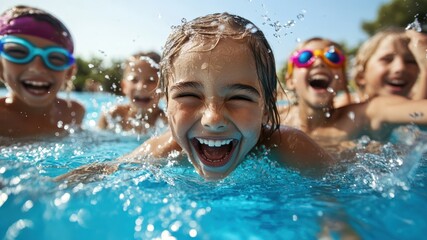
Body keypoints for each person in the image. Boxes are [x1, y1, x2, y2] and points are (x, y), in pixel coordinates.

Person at [56, 13, 333, 182]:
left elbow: (336, 195)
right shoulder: (165, 149)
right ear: (165, 103)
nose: (213, 118)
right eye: (189, 95)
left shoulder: (290, 146)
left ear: (265, 106)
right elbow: (105, 171)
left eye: (239, 97)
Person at [281, 37, 427, 145]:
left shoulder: (361, 117)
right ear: (290, 80)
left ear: (343, 81)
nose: (319, 63)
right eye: (305, 57)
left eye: (332, 57)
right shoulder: (276, 119)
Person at [0, 5, 85, 138]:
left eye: (55, 58)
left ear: (69, 72)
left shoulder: (73, 112)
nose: (37, 68)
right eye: (18, 52)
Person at [351, 27, 427, 102]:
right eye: (387, 59)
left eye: (410, 61)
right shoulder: (347, 106)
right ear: (361, 76)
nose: (400, 68)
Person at [98, 51, 167, 135]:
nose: (141, 87)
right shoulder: (112, 116)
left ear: (163, 88)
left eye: (150, 80)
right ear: (124, 86)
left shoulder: (167, 121)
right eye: (134, 80)